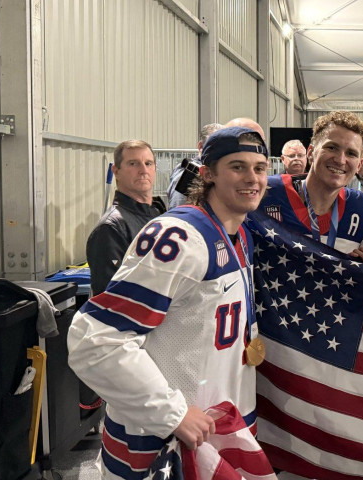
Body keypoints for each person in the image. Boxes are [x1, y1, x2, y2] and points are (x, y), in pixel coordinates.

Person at [68, 127, 270, 479]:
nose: (252, 178)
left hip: (216, 432)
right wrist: (172, 413)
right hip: (163, 443)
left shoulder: (241, 236)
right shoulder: (177, 236)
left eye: (260, 167)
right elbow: (95, 340)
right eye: (237, 167)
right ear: (207, 174)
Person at [251, 110, 363, 254]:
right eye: (332, 148)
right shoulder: (265, 192)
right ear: (310, 153)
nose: (340, 160)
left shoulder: (362, 208)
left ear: (359, 165)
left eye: (351, 153)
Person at [87, 140, 166, 295]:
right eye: (133, 164)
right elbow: (110, 297)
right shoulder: (111, 228)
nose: (143, 170)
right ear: (116, 171)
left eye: (148, 163)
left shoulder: (160, 214)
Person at [167, 123, 223, 207]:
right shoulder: (188, 175)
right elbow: (178, 210)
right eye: (214, 146)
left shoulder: (220, 171)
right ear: (200, 146)